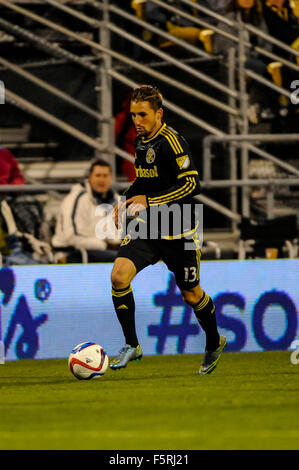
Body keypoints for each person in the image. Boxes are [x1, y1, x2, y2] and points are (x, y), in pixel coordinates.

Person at [109, 84, 226, 375]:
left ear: (159, 113)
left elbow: (191, 184)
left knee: (191, 295)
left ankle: (214, 341)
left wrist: (147, 200)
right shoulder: (141, 141)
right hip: (149, 226)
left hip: (179, 228)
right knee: (118, 276)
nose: (137, 121)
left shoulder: (172, 142)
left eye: (143, 114)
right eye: (134, 114)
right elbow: (145, 179)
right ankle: (132, 345)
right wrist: (124, 199)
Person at [52, 159, 121, 263]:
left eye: (105, 176)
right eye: (98, 175)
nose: (102, 180)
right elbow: (73, 237)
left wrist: (116, 243)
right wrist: (105, 245)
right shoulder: (75, 199)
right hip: (71, 253)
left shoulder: (117, 200)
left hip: (104, 251)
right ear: (89, 178)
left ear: (111, 178)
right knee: (119, 260)